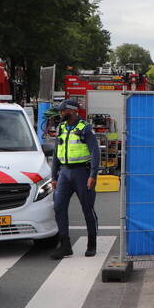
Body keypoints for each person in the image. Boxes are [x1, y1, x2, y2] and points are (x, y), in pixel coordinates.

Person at [50, 99, 100, 259]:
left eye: (62, 110)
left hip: (82, 173)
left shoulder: (85, 128)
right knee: (59, 207)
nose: (60, 113)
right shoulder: (61, 127)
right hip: (64, 174)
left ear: (72, 111)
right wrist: (53, 176)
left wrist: (93, 175)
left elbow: (95, 152)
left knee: (87, 208)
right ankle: (65, 245)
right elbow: (56, 153)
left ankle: (92, 243)